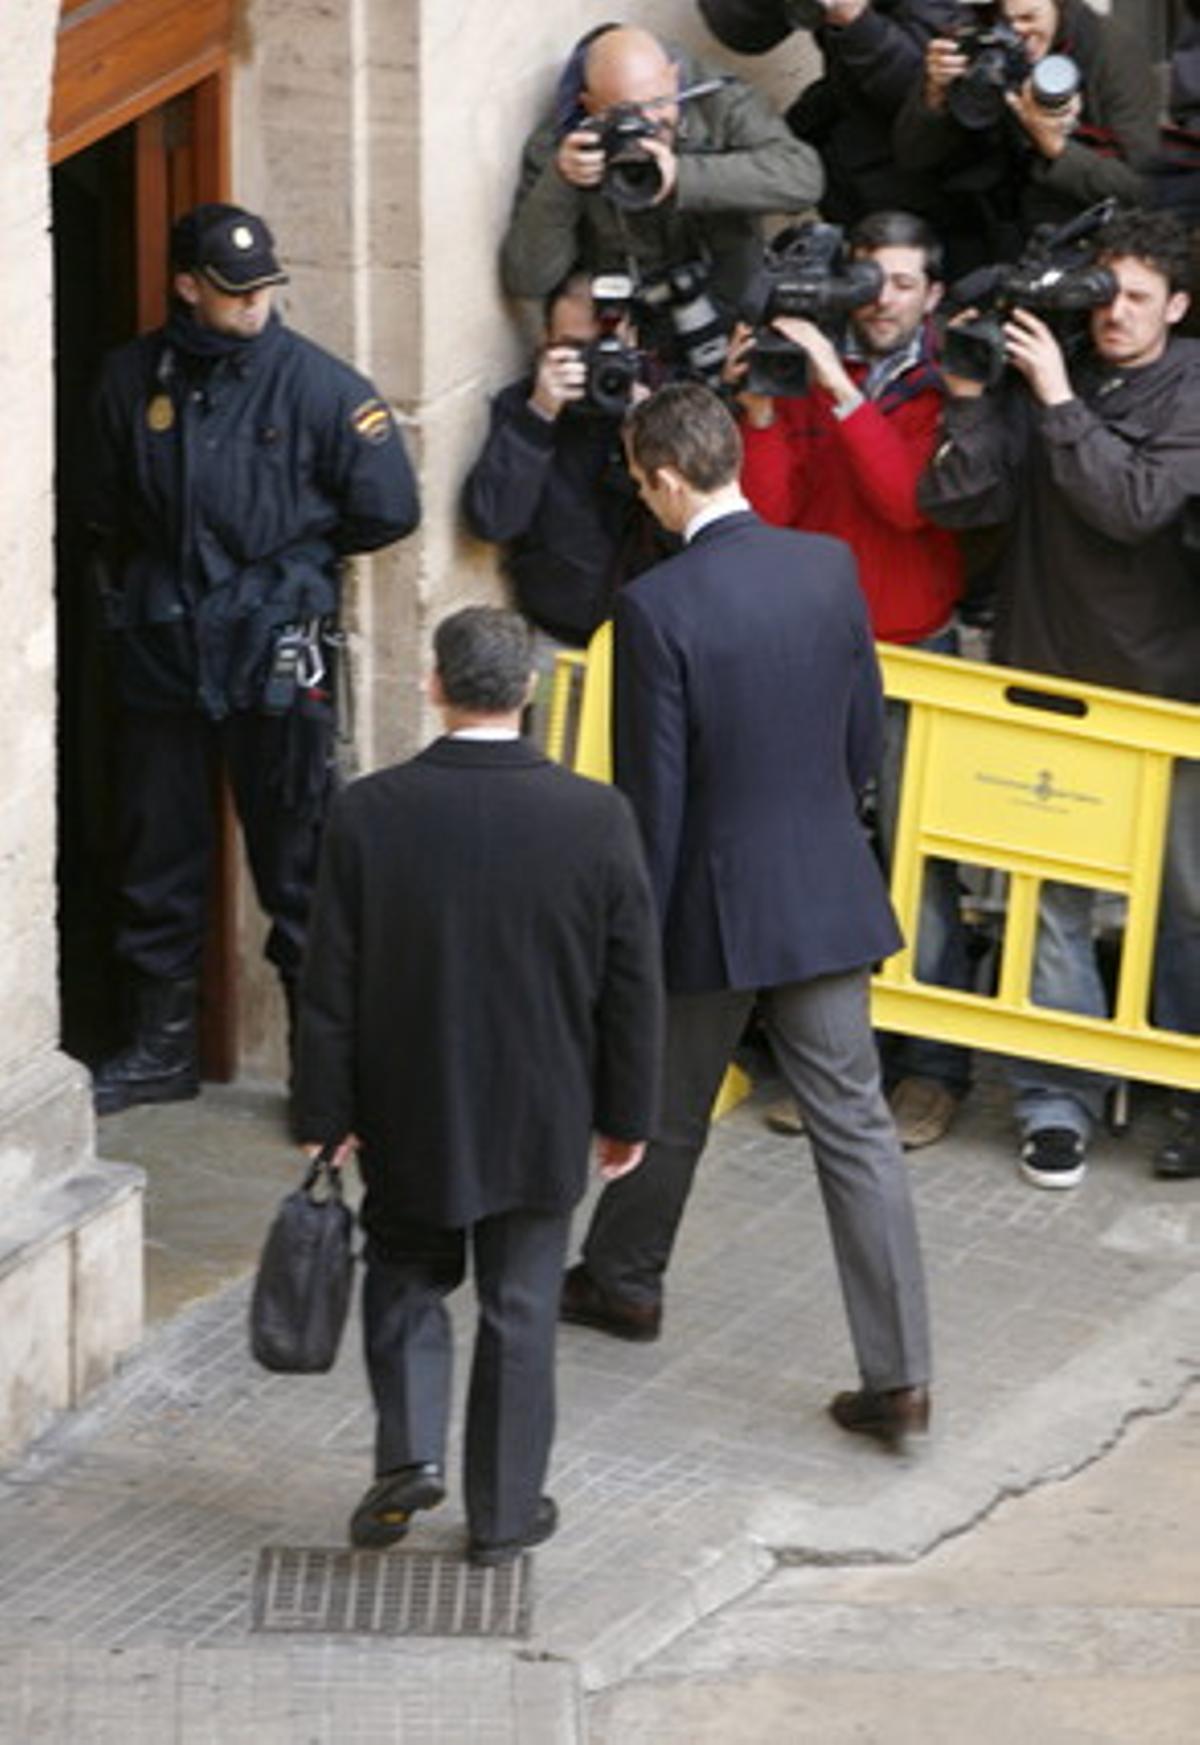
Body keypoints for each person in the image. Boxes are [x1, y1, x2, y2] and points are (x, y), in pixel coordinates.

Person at [561, 383, 933, 1452]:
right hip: (821, 886)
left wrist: (631, 937)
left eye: (641, 483)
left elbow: (653, 797)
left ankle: (626, 1281)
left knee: (669, 1103)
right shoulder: (826, 566)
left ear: (669, 478)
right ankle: (900, 1376)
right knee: (856, 1129)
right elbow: (864, 736)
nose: (644, 499)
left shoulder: (655, 606)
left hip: (707, 903)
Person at [292, 607, 663, 1564]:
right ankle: (502, 1518)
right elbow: (632, 985)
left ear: (432, 685)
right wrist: (628, 1114)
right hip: (546, 1104)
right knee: (522, 1305)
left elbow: (329, 977)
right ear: (531, 691)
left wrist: (326, 1111)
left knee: (407, 1273)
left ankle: (411, 1449)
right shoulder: (596, 817)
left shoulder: (370, 811)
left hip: (409, 1099)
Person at [83, 202, 420, 1116]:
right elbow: (103, 504)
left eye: (265, 288)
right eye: (235, 292)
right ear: (188, 288)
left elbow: (387, 508)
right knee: (157, 850)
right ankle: (160, 1048)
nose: (255, 305)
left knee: (302, 862)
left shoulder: (320, 388)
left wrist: (290, 568)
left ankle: (326, 1068)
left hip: (277, 652)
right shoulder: (130, 378)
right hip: (166, 649)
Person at [917, 206, 1200, 1186]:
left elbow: (1134, 506)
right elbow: (963, 501)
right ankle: (1055, 1102)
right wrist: (967, 392)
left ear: (1179, 306)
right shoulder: (1055, 358)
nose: (1113, 314)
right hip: (1046, 671)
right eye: (1103, 293)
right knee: (1049, 898)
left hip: (1161, 688)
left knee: (1185, 903)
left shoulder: (1191, 386)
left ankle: (1186, 1087)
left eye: (1136, 298)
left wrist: (1055, 394)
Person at [728, 209, 970, 1149]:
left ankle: (933, 1073)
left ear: (933, 295)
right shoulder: (804, 364)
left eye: (902, 284)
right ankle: (837, 1066)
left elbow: (909, 505)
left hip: (914, 652)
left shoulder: (954, 380)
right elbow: (768, 509)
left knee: (924, 866)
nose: (880, 301)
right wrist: (759, 409)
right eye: (866, 279)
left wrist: (837, 388)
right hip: (813, 651)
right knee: (823, 865)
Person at [498, 24, 823, 333]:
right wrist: (561, 180)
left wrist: (684, 177)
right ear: (591, 106)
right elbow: (527, 278)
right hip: (632, 325)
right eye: (627, 112)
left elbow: (804, 178)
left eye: (659, 102)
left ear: (673, 76)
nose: (650, 123)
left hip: (733, 305)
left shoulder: (718, 103)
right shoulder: (565, 147)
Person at [462, 273, 672, 663]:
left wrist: (649, 433)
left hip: (651, 642)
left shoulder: (665, 402)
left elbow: (694, 530)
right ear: (545, 340)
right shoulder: (525, 407)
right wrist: (539, 416)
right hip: (555, 639)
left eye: (605, 349)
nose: (594, 365)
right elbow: (492, 521)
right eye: (575, 349)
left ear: (634, 342)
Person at [893, 0, 1160, 278]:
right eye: (1006, 22)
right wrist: (935, 95)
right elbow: (912, 155)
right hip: (985, 233)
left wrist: (1053, 145)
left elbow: (1140, 188)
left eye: (1029, 18)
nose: (1018, 32)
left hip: (1080, 244)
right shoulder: (980, 44)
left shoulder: (1111, 50)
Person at [697, 0, 960, 224]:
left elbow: (933, 97)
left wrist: (857, 22)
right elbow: (744, 30)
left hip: (938, 178)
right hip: (854, 139)